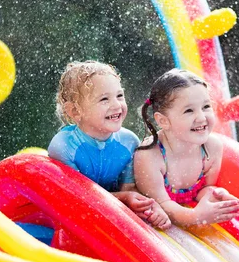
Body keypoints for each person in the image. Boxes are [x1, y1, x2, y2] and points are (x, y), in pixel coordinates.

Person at [48, 60, 170, 229]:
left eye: (119, 95)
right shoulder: (64, 147)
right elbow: (77, 199)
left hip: (113, 216)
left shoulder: (129, 143)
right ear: (76, 111)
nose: (116, 105)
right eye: (104, 99)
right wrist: (124, 198)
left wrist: (149, 208)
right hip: (74, 220)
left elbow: (129, 189)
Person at [134, 68, 239, 227]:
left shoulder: (212, 148)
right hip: (151, 227)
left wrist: (217, 196)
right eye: (189, 110)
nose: (201, 117)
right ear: (163, 121)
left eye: (206, 107)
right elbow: (162, 204)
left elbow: (203, 190)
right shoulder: (150, 155)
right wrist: (195, 217)